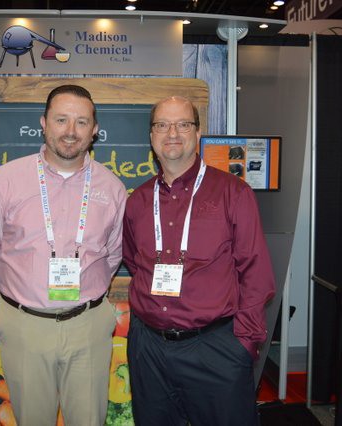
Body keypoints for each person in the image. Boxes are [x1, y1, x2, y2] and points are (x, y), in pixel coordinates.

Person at [0, 85, 127, 425]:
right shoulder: (4, 181)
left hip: (88, 325)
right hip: (25, 325)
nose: (71, 131)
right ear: (43, 123)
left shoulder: (112, 188)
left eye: (81, 122)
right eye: (61, 120)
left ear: (94, 130)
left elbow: (114, 253)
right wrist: (22, 287)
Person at [122, 96, 275, 426]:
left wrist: (243, 344)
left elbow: (255, 272)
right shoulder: (138, 201)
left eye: (182, 124)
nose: (172, 133)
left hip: (215, 349)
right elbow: (134, 262)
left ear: (198, 132)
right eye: (162, 125)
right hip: (149, 351)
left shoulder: (233, 192)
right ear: (151, 135)